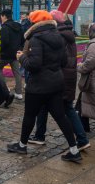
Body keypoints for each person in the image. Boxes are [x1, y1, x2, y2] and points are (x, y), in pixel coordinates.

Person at [7, 10, 82, 162]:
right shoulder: (59, 37)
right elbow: (63, 62)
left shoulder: (36, 39)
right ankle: (74, 150)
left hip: (38, 86)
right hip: (56, 84)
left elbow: (34, 66)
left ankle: (22, 145)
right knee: (61, 117)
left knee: (29, 115)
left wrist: (22, 58)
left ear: (35, 23)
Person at [29, 10, 90, 151]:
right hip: (67, 75)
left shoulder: (57, 36)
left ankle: (81, 139)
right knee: (46, 106)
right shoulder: (68, 33)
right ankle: (39, 135)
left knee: (66, 109)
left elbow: (53, 59)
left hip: (58, 76)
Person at [0, 9, 24, 100]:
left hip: (4, 55)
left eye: (1, 16)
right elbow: (23, 40)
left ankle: (5, 89)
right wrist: (19, 49)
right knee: (17, 73)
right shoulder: (19, 26)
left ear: (4, 16)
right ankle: (19, 93)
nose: (1, 18)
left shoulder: (4, 27)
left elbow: (4, 41)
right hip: (15, 54)